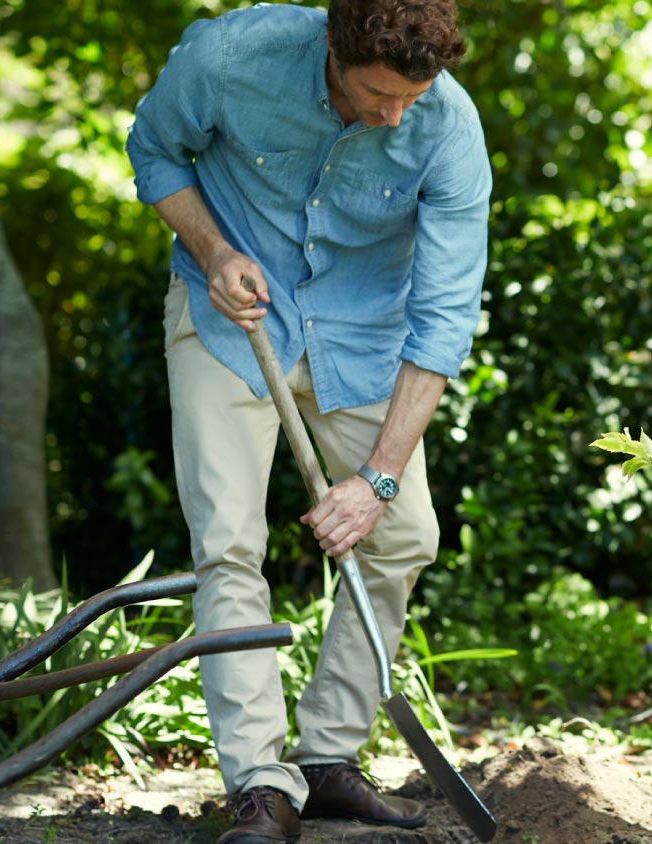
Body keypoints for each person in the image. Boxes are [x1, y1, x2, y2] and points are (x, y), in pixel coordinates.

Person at [126, 1, 491, 842]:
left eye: (411, 96)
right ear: (334, 47)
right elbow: (154, 149)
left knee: (403, 535)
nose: (394, 114)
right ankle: (260, 784)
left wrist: (378, 479)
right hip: (232, 322)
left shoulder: (448, 128)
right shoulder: (230, 54)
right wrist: (214, 251)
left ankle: (326, 760)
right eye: (376, 94)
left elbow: (442, 320)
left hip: (363, 340)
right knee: (228, 541)